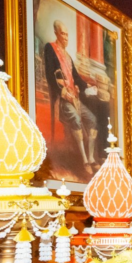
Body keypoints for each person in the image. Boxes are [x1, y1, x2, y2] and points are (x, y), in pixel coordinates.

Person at [43, 19, 100, 175]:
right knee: (75, 119)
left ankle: (91, 158)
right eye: (63, 34)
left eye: (67, 34)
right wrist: (62, 92)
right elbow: (50, 75)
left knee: (92, 119)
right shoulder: (50, 48)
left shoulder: (68, 56)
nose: (66, 37)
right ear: (56, 33)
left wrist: (88, 86)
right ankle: (84, 161)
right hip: (62, 99)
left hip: (74, 99)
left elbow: (76, 78)